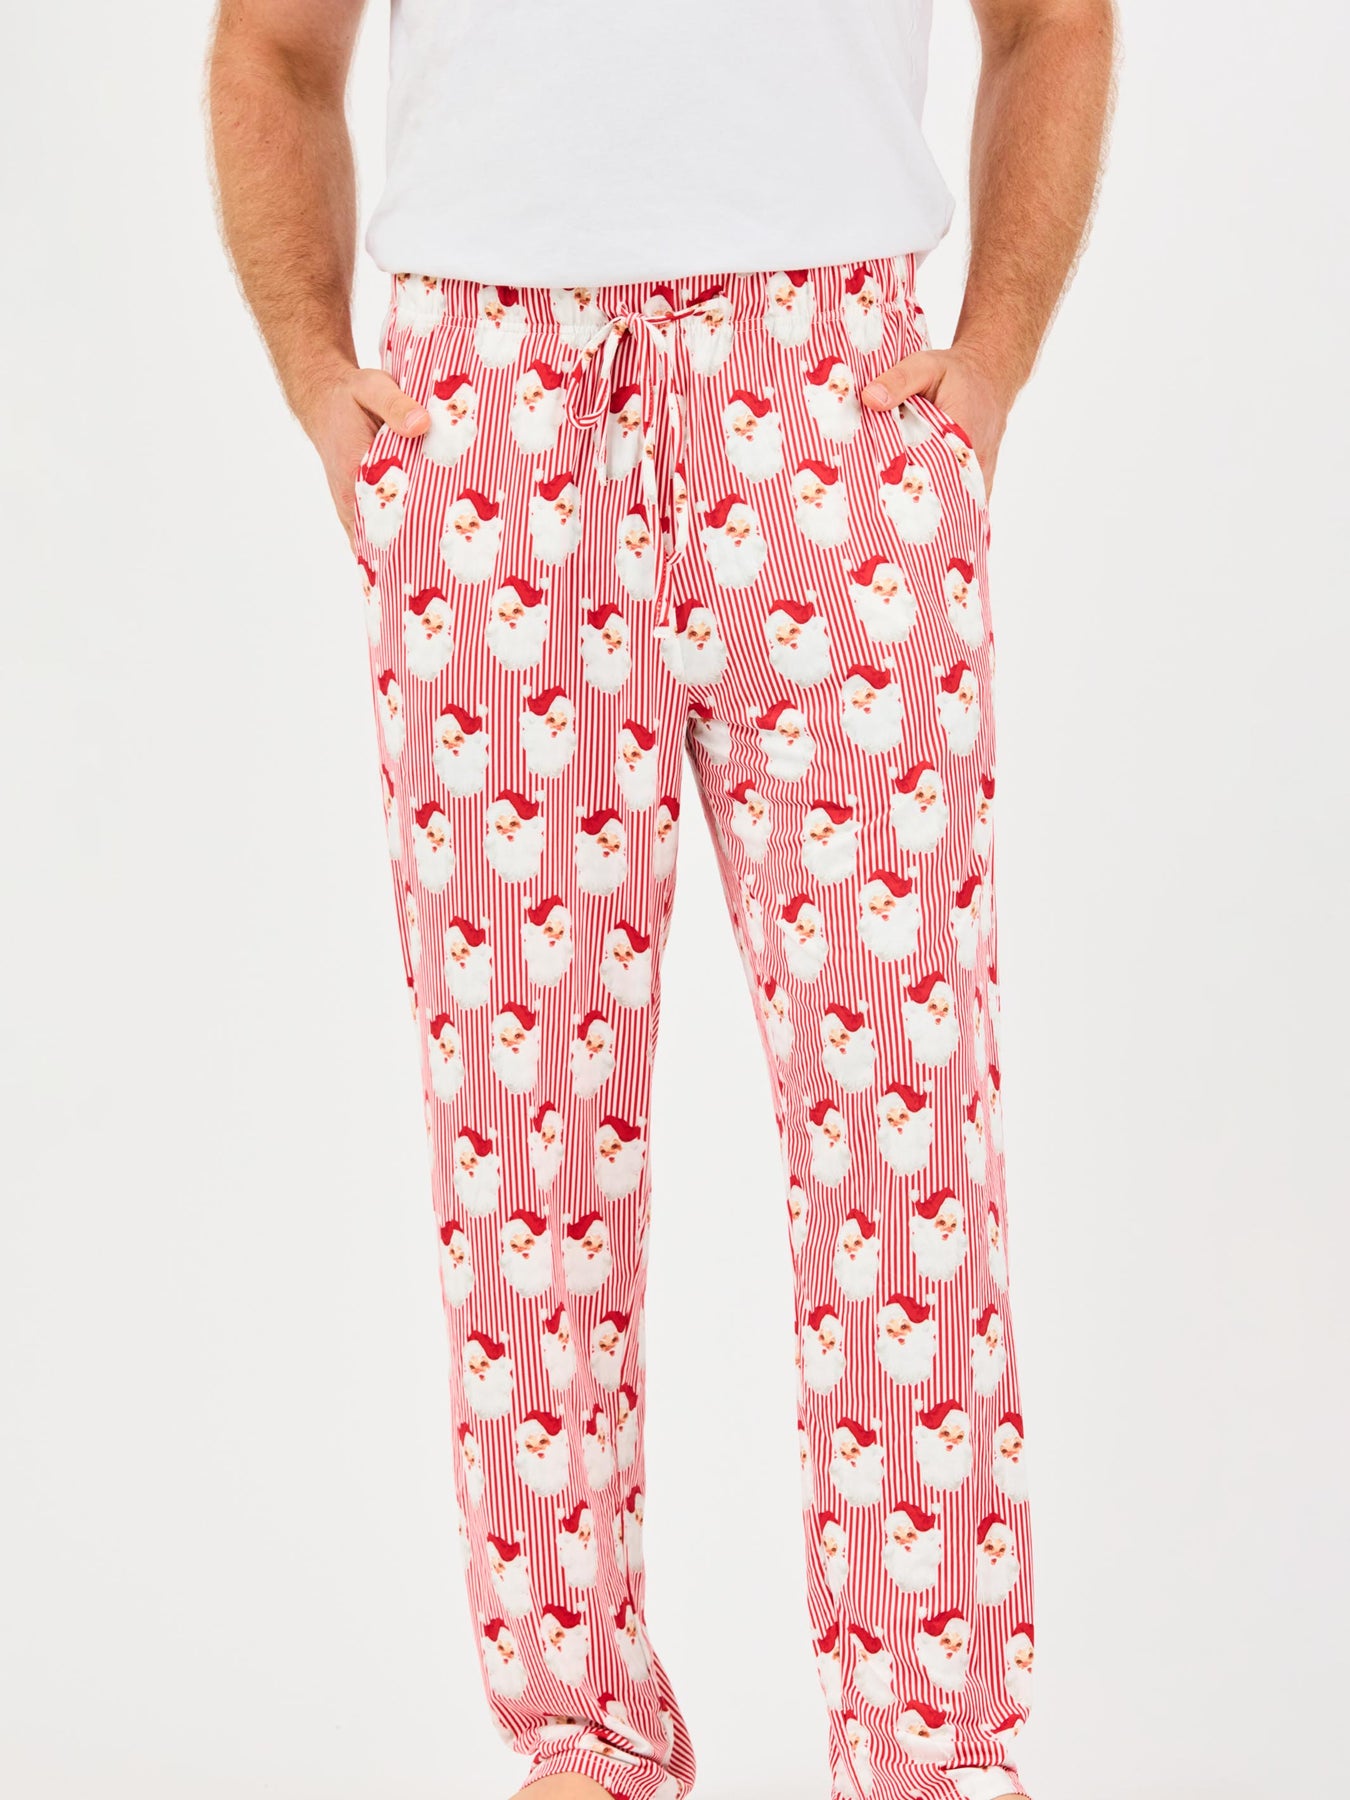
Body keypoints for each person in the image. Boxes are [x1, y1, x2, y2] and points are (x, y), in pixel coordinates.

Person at [207, 3, 1115, 1797]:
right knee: (520, 1131)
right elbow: (271, 51)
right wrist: (322, 374)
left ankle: (932, 1750)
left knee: (902, 1115)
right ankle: (580, 1736)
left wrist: (989, 362)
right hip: (489, 407)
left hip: (834, 398)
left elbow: (1052, 24)